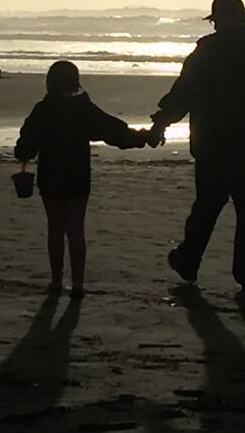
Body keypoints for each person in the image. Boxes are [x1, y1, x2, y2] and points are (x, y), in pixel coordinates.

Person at [148, 0, 245, 293]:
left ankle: (189, 260)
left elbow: (184, 92)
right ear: (244, 16)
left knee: (207, 205)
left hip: (213, 143)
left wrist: (162, 122)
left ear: (219, 20)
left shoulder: (209, 50)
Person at [14, 60, 149, 299]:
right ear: (75, 81)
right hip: (78, 176)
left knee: (54, 229)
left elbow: (25, 145)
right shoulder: (83, 109)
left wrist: (25, 154)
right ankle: (78, 285)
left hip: (51, 176)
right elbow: (113, 131)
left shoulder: (43, 110)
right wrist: (142, 137)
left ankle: (56, 282)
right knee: (76, 231)